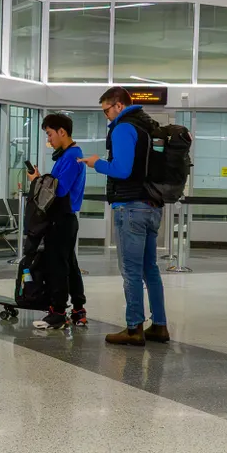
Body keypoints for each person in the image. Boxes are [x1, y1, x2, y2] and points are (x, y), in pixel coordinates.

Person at [80, 87, 170, 346]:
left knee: (130, 271)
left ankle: (133, 328)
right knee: (150, 269)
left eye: (106, 110)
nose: (106, 117)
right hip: (152, 206)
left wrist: (96, 162)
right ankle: (159, 325)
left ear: (119, 105)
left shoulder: (123, 128)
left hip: (130, 207)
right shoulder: (149, 126)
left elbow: (121, 169)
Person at [32, 113, 88, 330]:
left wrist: (37, 181)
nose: (49, 140)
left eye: (50, 134)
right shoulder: (68, 155)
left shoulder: (71, 157)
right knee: (69, 264)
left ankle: (57, 311)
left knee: (58, 265)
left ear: (62, 131)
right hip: (64, 218)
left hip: (61, 219)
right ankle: (78, 308)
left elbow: (59, 190)